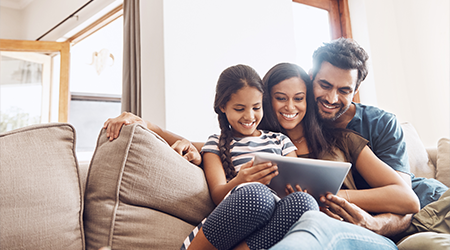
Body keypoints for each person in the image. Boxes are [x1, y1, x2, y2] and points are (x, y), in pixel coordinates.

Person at [270, 38, 449, 249]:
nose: (331, 98)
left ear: (356, 88)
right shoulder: (298, 117)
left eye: (344, 90)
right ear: (311, 78)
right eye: (325, 85)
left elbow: (406, 203)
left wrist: (328, 195)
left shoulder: (378, 124)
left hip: (432, 206)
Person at [180, 64, 320, 250]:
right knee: (258, 196)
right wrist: (240, 180)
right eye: (239, 109)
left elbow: (297, 178)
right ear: (223, 106)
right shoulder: (215, 143)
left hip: (272, 225)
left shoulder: (280, 141)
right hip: (242, 213)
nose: (249, 116)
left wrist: (298, 191)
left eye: (256, 107)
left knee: (305, 203)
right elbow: (217, 195)